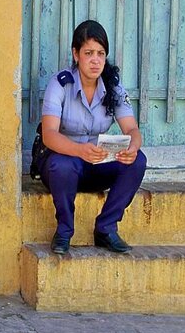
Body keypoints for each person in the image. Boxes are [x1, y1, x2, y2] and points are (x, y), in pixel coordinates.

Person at [37, 19, 146, 255]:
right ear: (76, 54)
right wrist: (79, 150)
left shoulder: (113, 86)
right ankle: (64, 230)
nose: (95, 60)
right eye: (89, 53)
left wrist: (132, 148)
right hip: (65, 165)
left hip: (97, 162)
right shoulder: (60, 84)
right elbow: (49, 135)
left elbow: (132, 130)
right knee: (61, 165)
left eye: (100, 53)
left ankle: (106, 228)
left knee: (138, 161)